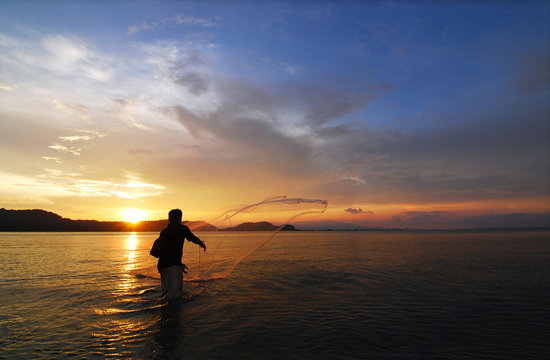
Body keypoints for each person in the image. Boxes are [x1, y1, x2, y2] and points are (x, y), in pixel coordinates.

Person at [150, 209, 206, 300]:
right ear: (180, 218)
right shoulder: (182, 228)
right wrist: (201, 243)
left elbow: (167, 251)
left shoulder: (164, 231)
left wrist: (179, 264)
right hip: (172, 266)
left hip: (162, 266)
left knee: (166, 294)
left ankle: (165, 313)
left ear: (169, 219)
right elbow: (191, 237)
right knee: (175, 297)